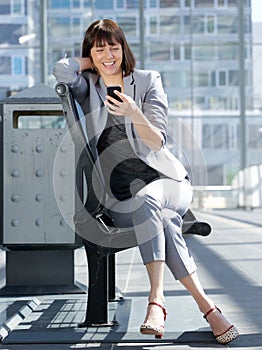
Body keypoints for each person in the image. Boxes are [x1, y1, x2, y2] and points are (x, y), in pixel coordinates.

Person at [53, 19, 238, 344]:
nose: (108, 54)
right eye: (100, 48)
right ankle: (207, 307)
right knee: (160, 216)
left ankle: (156, 300)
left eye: (114, 46)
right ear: (90, 54)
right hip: (123, 197)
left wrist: (134, 111)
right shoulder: (89, 87)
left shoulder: (148, 81)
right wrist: (90, 62)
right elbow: (61, 70)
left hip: (167, 184)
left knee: (153, 199)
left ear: (124, 48)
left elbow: (157, 142)